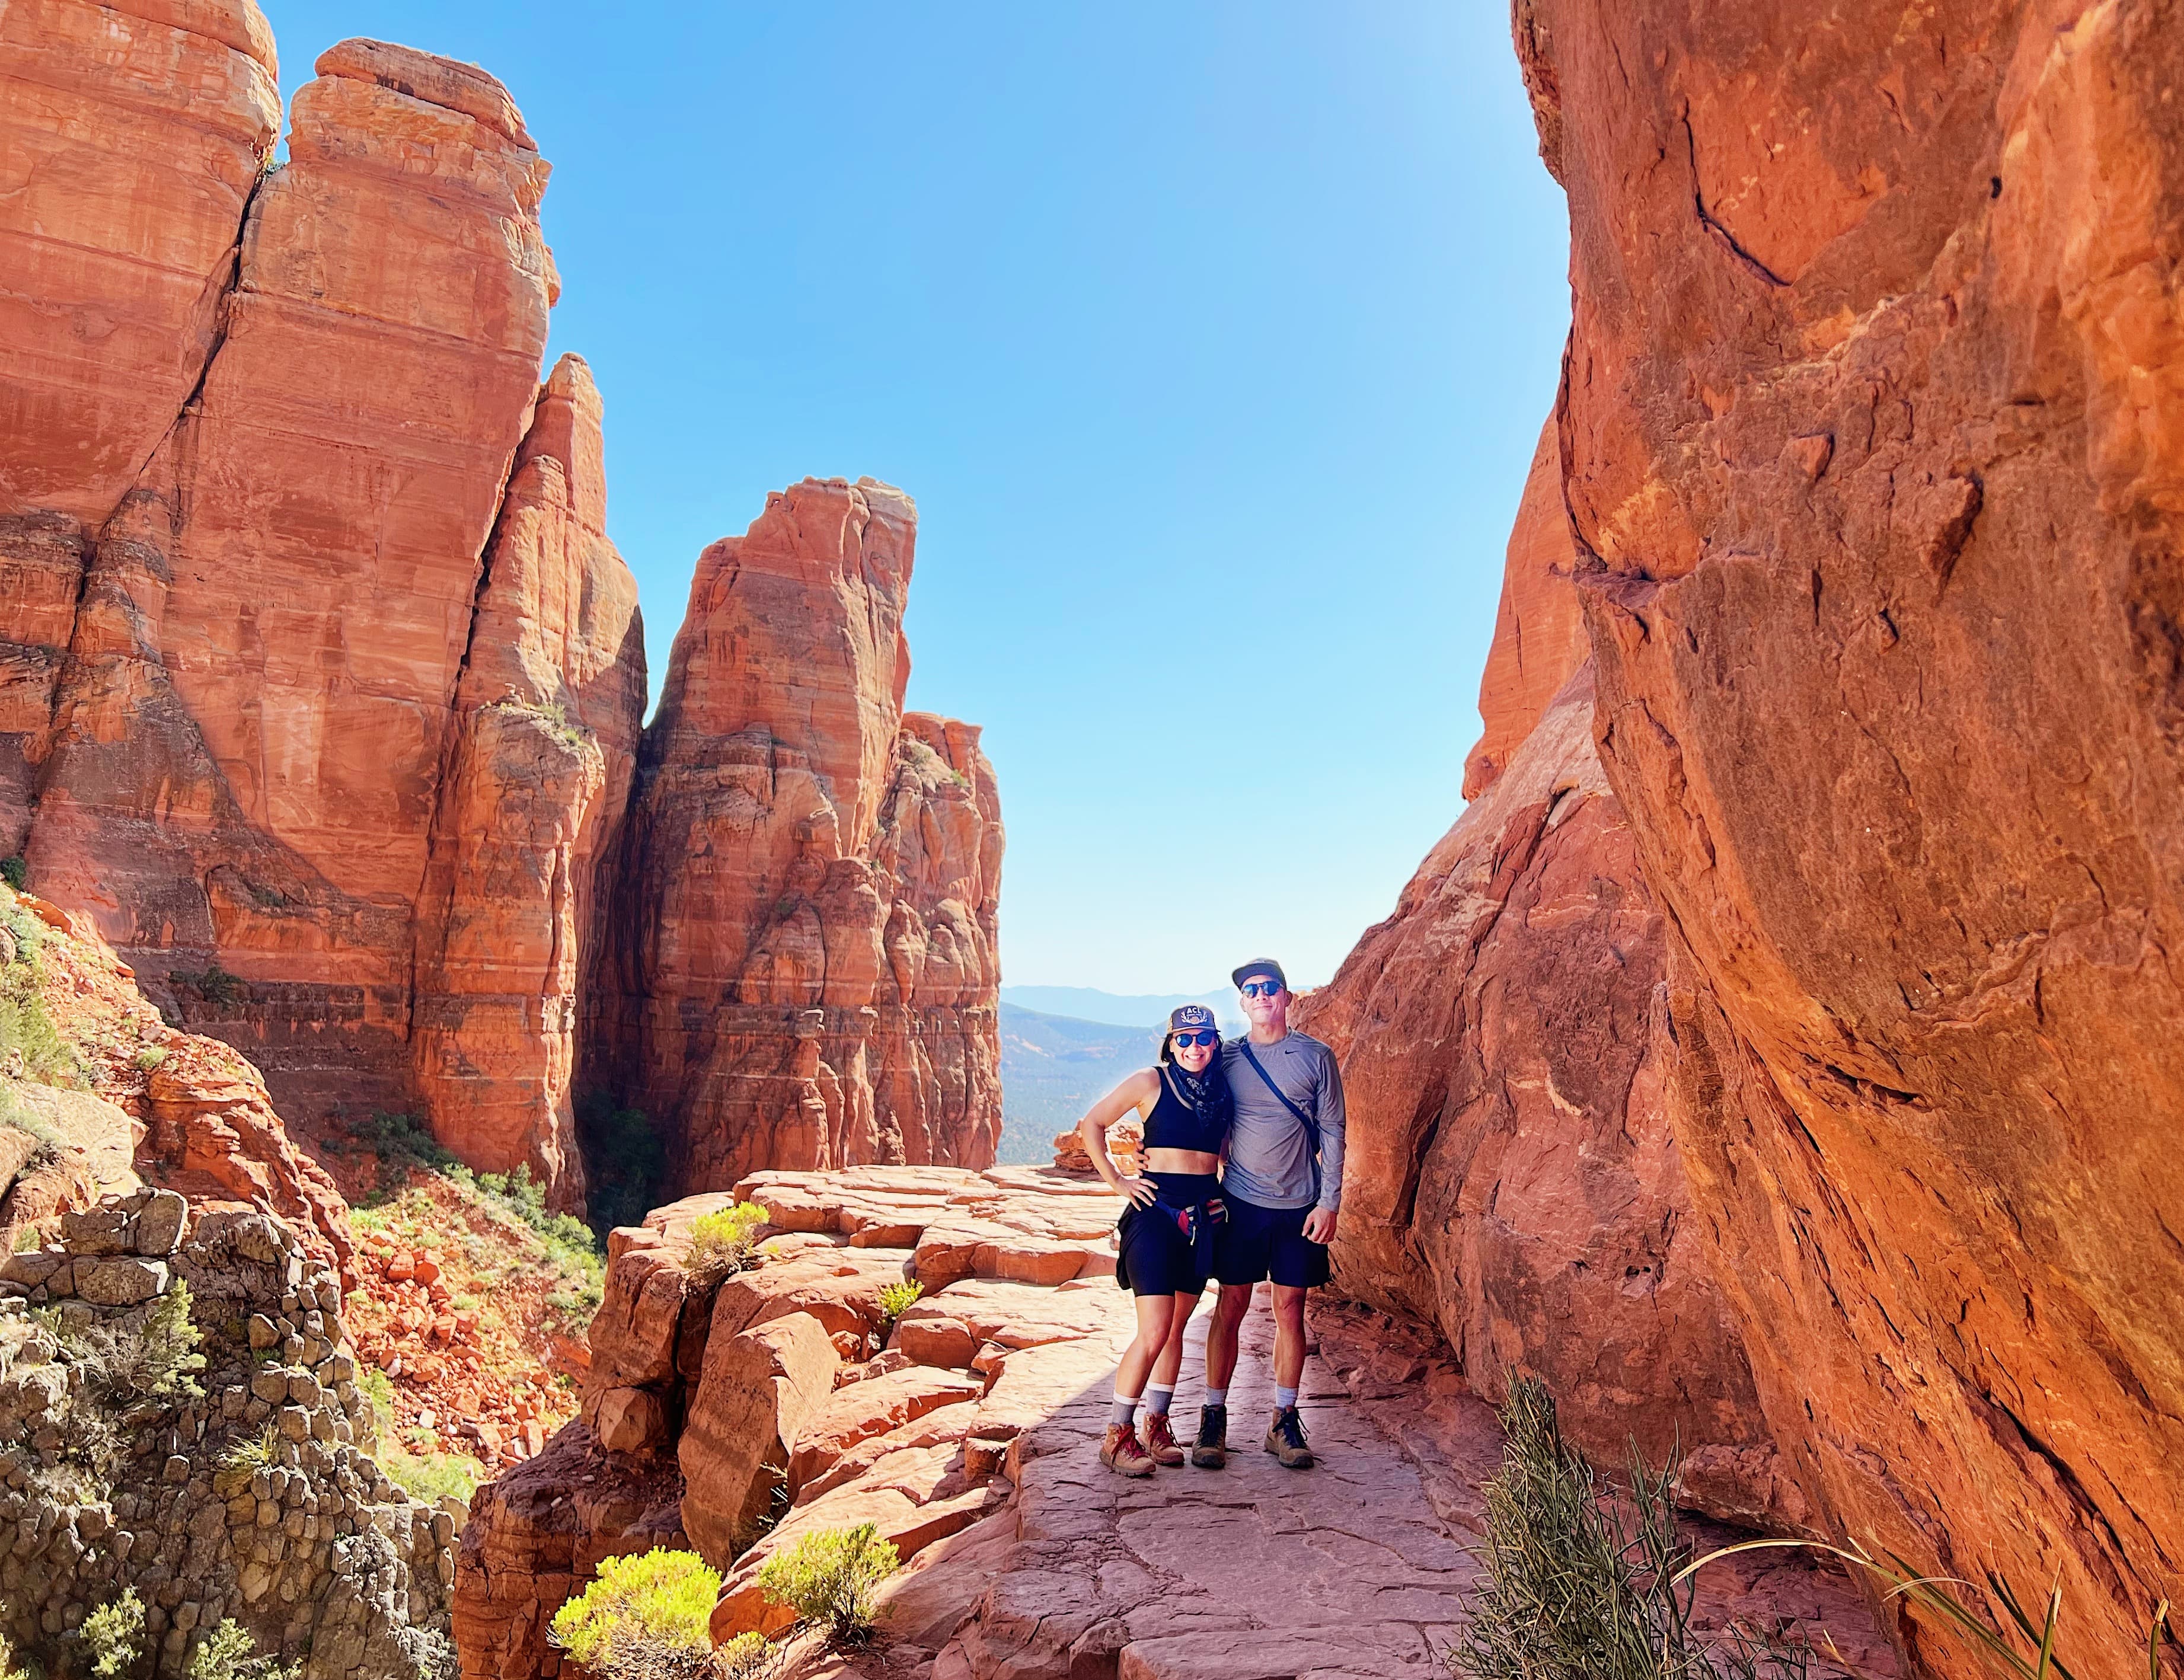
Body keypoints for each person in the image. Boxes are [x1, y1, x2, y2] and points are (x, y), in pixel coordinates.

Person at [1196, 959, 1345, 1471]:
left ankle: (1283, 1420)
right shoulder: (1228, 1057)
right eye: (1250, 990)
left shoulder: (1316, 1057)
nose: (1260, 995)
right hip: (1239, 1202)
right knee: (1231, 1307)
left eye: (1269, 987)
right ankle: (1213, 1418)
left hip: (1299, 1206)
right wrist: (1163, 1160)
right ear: (1243, 1003)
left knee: (1290, 1311)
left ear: (1286, 997)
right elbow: (1195, 1108)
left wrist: (1330, 1201)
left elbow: (1334, 1132)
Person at [1073, 1003, 1233, 1475]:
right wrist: (1120, 1180)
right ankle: (1118, 1434)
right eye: (1184, 1039)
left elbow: (1223, 1153)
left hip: (1202, 1218)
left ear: (1215, 1043)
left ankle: (1156, 1425)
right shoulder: (1151, 1081)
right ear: (1171, 1043)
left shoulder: (1220, 1093)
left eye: (1203, 1038)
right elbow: (1092, 1124)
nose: (1194, 1047)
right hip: (1155, 1214)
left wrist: (1225, 1194)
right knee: (1155, 1330)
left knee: (1177, 1329)